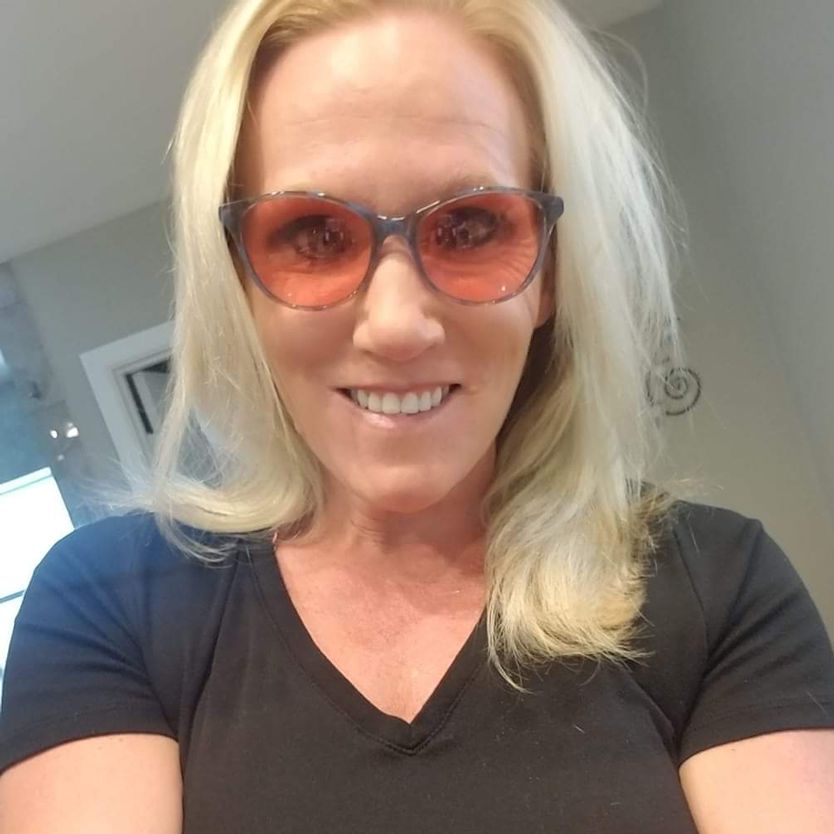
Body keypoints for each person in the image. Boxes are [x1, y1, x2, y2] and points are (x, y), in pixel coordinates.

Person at [1, 0, 833, 831]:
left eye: (470, 226)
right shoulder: (109, 603)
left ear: (550, 273)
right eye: (315, 234)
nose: (396, 325)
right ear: (241, 282)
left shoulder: (715, 583)